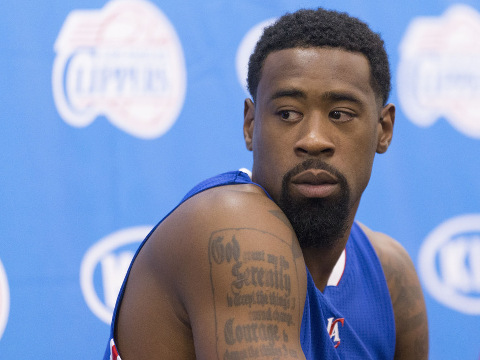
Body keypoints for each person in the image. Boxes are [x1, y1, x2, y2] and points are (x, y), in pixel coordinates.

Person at [104, 7, 429, 360]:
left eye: (340, 114)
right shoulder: (229, 227)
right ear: (250, 124)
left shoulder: (389, 272)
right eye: (288, 113)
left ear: (383, 130)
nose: (314, 139)